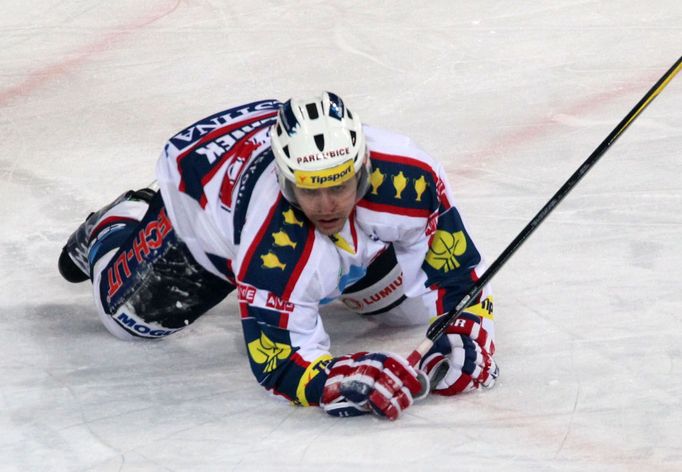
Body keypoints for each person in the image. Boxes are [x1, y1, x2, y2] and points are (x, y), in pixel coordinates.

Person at [58, 92, 498, 420]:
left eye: (339, 185)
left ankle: (339, 270)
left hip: (303, 221)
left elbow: (456, 272)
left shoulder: (410, 177)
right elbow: (279, 364)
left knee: (410, 314)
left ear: (364, 167)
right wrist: (336, 380)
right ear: (287, 181)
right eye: (309, 189)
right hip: (203, 216)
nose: (327, 205)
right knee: (128, 321)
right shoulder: (268, 241)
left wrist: (470, 325)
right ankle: (118, 221)